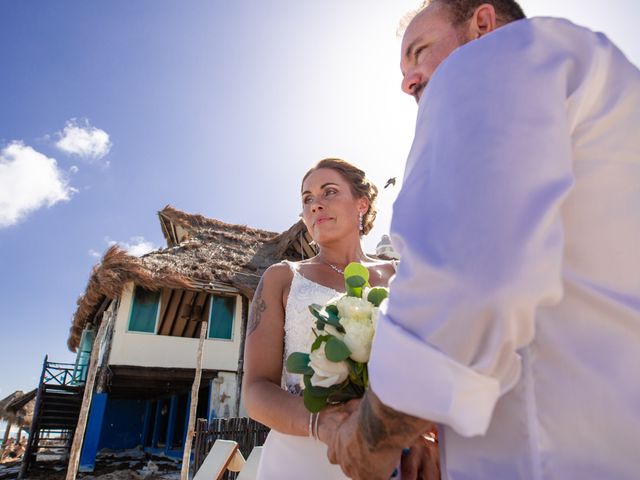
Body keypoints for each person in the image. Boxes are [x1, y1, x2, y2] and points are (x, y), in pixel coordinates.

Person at [327, 1, 640, 479]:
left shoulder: (490, 55)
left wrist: (375, 434)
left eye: (420, 52)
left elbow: (471, 279)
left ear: (482, 24)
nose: (408, 81)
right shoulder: (609, 83)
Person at [243, 158, 437, 479]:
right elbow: (256, 389)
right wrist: (323, 423)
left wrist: (422, 430)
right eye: (307, 199)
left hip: (393, 455)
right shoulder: (283, 277)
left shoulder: (401, 275)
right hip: (299, 459)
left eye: (329, 192)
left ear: (361, 204)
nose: (315, 205)